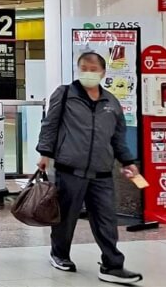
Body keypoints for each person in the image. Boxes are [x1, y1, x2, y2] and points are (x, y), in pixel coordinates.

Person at [37, 52, 143, 285]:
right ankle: (59, 254)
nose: (88, 73)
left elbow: (118, 137)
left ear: (103, 73)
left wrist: (127, 162)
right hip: (70, 169)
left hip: (102, 173)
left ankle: (112, 265)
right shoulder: (66, 94)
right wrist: (45, 153)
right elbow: (50, 124)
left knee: (106, 220)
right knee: (66, 218)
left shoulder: (111, 102)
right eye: (84, 68)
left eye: (93, 69)